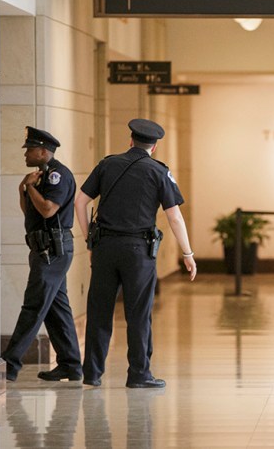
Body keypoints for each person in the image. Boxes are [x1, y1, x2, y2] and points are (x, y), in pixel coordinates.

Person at [75, 118, 197, 388]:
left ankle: (92, 374)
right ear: (153, 148)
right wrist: (187, 253)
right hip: (139, 252)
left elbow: (80, 202)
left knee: (99, 311)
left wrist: (89, 241)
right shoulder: (158, 171)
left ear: (130, 141)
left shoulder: (107, 164)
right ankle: (139, 374)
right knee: (138, 314)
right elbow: (174, 217)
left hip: (105, 248)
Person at [1, 126, 82, 383]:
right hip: (43, 249)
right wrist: (23, 189)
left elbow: (48, 210)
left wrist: (30, 187)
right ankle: (70, 365)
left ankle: (10, 365)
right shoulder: (41, 176)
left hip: (52, 250)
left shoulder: (59, 176)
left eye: (30, 150)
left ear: (44, 151)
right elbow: (30, 212)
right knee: (57, 308)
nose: (25, 154)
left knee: (34, 306)